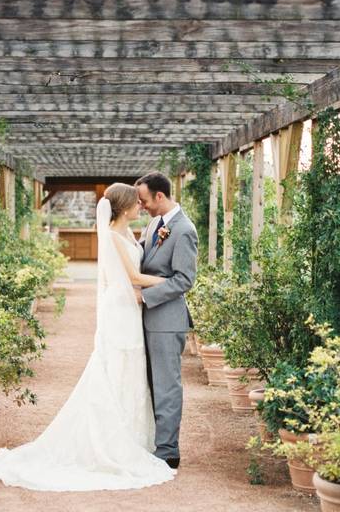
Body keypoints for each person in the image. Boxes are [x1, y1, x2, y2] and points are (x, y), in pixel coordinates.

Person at [0, 183, 176, 491]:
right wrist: (171, 281)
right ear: (124, 207)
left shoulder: (130, 234)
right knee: (117, 367)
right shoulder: (112, 236)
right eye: (137, 203)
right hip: (120, 311)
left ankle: (132, 438)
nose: (141, 207)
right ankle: (112, 442)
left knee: (131, 370)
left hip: (130, 309)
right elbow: (133, 278)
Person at [134, 172, 199, 470]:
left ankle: (169, 451)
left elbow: (185, 279)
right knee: (149, 383)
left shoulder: (184, 230)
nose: (142, 206)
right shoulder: (154, 224)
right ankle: (155, 442)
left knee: (166, 386)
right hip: (148, 319)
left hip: (166, 320)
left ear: (160, 196)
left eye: (145, 200)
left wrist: (146, 296)